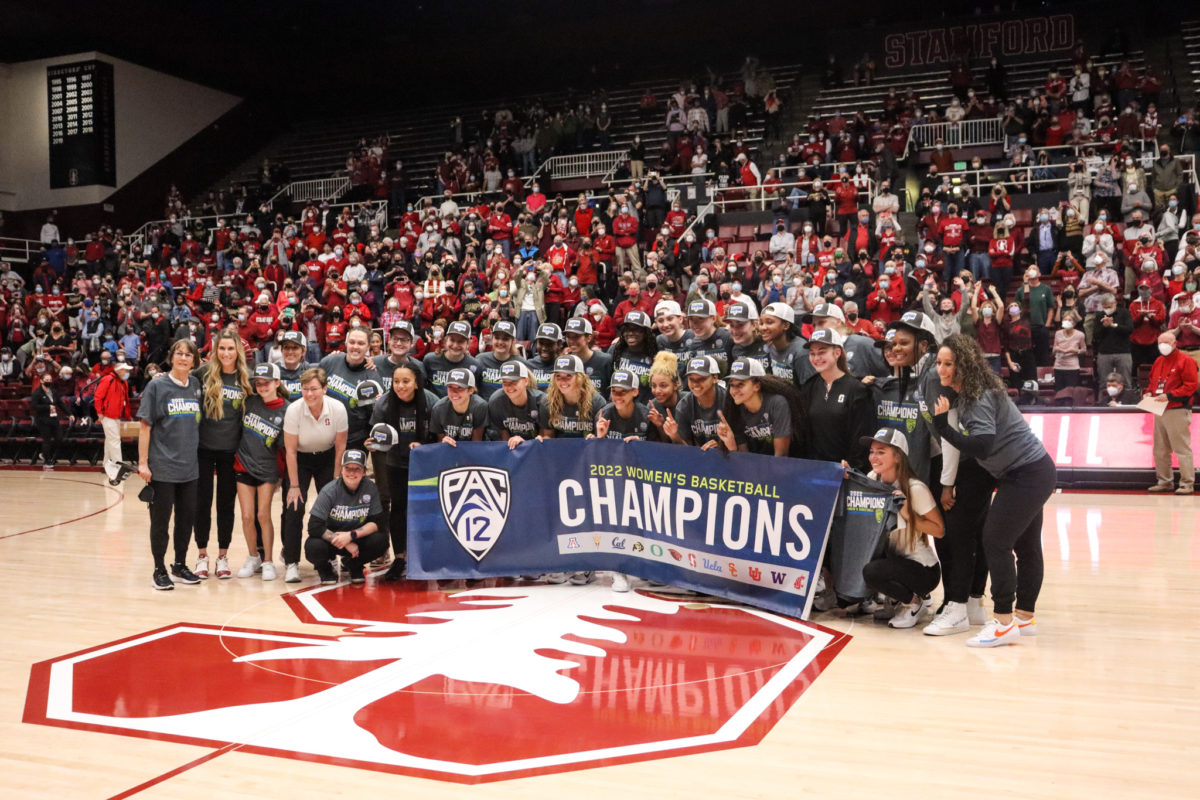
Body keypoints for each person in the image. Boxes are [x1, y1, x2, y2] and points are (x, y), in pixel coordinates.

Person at [931, 334, 1056, 647]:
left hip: (1026, 474)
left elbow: (983, 443)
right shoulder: (972, 393)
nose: (942, 370)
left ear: (965, 365)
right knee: (1026, 546)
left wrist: (944, 427)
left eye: (949, 364)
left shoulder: (976, 397)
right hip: (1031, 471)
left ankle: (1003, 622)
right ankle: (1024, 618)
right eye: (939, 363)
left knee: (995, 540)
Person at [137, 338, 204, 590]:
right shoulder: (157, 386)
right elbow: (145, 426)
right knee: (161, 522)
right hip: (162, 467)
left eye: (188, 355)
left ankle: (179, 564)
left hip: (189, 468)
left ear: (194, 360)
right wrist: (143, 463)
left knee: (186, 520)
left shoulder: (195, 385)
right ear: (171, 356)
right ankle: (159, 568)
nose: (183, 358)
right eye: (179, 353)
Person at [860, 429, 944, 628]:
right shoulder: (873, 478)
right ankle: (896, 600)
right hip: (894, 560)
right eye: (872, 452)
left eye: (881, 452)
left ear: (898, 456)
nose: (874, 457)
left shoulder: (915, 488)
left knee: (872, 572)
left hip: (923, 570)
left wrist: (908, 515)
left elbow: (939, 530)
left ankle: (915, 602)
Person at [281, 367, 349, 581]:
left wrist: (337, 479)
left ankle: (330, 556)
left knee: (331, 509)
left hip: (327, 458)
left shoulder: (337, 409)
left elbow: (340, 448)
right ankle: (291, 561)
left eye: (314, 389)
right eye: (305, 389)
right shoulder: (294, 410)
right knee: (294, 507)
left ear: (325, 389)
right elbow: (290, 450)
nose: (309, 394)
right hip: (300, 459)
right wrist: (293, 485)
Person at [193, 330, 251, 581]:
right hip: (203, 449)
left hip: (231, 451)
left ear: (238, 350)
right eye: (221, 348)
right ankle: (202, 555)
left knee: (226, 505)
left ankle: (223, 556)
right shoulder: (203, 373)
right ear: (215, 351)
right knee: (202, 504)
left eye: (230, 348)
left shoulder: (245, 378)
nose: (226, 353)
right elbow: (179, 380)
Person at [371, 364, 437, 579]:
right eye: (396, 381)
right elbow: (377, 436)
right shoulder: (383, 403)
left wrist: (425, 446)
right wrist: (373, 442)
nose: (400, 386)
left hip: (425, 464)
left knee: (425, 508)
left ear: (416, 382)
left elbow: (439, 434)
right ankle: (400, 557)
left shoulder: (430, 401)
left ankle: (427, 555)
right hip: (395, 463)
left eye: (406, 381)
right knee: (397, 508)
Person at [234, 363, 290, 581]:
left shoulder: (287, 409)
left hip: (268, 468)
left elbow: (285, 449)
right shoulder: (249, 402)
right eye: (258, 382)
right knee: (247, 516)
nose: (262, 386)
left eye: (267, 382)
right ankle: (252, 556)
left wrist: (280, 476)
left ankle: (268, 561)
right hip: (243, 463)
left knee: (262, 515)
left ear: (277, 383)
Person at [305, 449, 389, 585]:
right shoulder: (329, 490)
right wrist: (343, 540)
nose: (351, 473)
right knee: (313, 546)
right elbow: (314, 526)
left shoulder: (370, 488)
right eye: (348, 468)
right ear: (341, 470)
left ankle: (354, 564)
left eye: (357, 469)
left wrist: (351, 536)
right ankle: (325, 569)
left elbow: (376, 522)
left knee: (381, 541)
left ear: (364, 472)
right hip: (332, 539)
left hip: (357, 539)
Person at [798, 328, 876, 470]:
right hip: (814, 469)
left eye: (822, 352)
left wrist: (852, 466)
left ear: (837, 353)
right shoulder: (808, 387)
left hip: (845, 471)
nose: (816, 358)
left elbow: (862, 435)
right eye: (812, 353)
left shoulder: (856, 389)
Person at [1145, 332, 1198, 494]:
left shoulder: (1186, 360)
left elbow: (1191, 385)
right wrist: (1148, 392)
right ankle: (1164, 481)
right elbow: (1153, 382)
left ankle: (1187, 483)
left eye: (1167, 342)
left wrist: (1169, 395)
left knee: (1181, 448)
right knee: (1160, 449)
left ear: (1175, 343)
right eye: (1160, 342)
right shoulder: (1159, 361)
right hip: (1159, 409)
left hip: (1177, 409)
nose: (1163, 345)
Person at [716, 358, 801, 457]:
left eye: (740, 385)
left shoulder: (777, 403)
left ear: (757, 386)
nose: (734, 391)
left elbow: (781, 456)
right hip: (755, 466)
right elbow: (744, 458)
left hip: (786, 466)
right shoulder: (735, 410)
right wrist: (732, 446)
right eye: (732, 385)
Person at [319, 327, 383, 443]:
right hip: (324, 434)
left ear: (368, 347)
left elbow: (374, 415)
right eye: (352, 342)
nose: (355, 347)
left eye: (361, 343)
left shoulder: (372, 378)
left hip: (354, 440)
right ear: (346, 343)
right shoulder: (329, 362)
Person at [487, 361, 546, 445]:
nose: (509, 387)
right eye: (505, 382)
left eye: (514, 382)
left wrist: (530, 443)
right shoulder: (496, 401)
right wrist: (513, 443)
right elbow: (504, 440)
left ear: (526, 381)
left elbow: (546, 437)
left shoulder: (542, 401)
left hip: (536, 450)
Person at [607, 310, 657, 403]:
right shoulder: (615, 349)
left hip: (645, 410)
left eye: (636, 329)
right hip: (618, 407)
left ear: (646, 332)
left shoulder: (655, 353)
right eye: (627, 329)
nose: (630, 333)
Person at [429, 368, 488, 443]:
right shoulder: (438, 409)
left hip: (472, 450)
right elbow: (440, 441)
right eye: (450, 387)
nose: (454, 392)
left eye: (460, 388)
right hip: (449, 450)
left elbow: (476, 443)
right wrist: (444, 442)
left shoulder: (479, 406)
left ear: (471, 390)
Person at [95, 361, 134, 470]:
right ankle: (118, 465)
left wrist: (127, 415)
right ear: (119, 370)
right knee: (115, 440)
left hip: (116, 416)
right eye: (125, 370)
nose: (127, 372)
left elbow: (125, 399)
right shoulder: (108, 379)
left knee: (110, 440)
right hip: (107, 415)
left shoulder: (124, 382)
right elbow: (98, 397)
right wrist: (99, 412)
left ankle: (106, 465)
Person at [475, 320, 525, 400]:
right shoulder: (480, 359)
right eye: (497, 338)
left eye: (505, 339)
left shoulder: (520, 363)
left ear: (513, 341)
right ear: (492, 339)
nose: (500, 342)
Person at [31, 373, 70, 469]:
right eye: (46, 379)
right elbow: (34, 406)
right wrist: (47, 407)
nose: (48, 381)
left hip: (54, 418)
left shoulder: (53, 391)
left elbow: (60, 403)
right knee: (47, 439)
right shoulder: (37, 393)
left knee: (59, 438)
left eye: (50, 379)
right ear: (41, 381)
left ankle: (45, 454)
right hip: (43, 420)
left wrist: (70, 414)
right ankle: (47, 461)